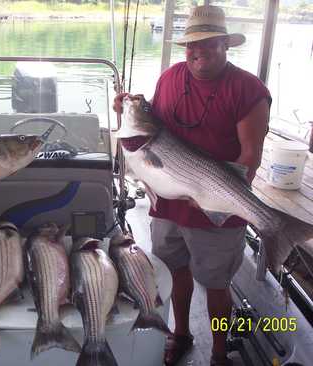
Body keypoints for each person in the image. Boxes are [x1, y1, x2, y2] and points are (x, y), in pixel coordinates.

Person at [113, 5, 271, 366]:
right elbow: (155, 122)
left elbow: (250, 157)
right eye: (191, 45)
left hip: (218, 200)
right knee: (173, 271)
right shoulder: (170, 77)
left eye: (208, 44)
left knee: (216, 284)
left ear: (225, 45)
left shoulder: (249, 91)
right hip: (170, 204)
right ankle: (180, 334)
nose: (197, 52)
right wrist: (129, 108)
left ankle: (218, 354)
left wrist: (214, 197)